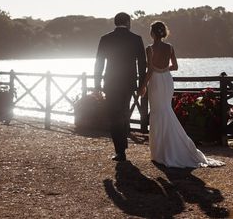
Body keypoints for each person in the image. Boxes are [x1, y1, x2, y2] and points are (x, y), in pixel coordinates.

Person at [143, 20, 224, 168]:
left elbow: (149, 70)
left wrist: (142, 86)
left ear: (153, 33)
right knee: (166, 110)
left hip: (155, 80)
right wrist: (164, 69)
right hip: (167, 80)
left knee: (157, 112)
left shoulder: (150, 48)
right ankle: (174, 146)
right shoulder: (170, 47)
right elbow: (175, 66)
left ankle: (160, 151)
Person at [94, 12, 147, 162]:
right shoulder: (136, 39)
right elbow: (142, 64)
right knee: (124, 112)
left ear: (115, 22)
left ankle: (120, 150)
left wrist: (97, 85)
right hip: (129, 82)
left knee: (114, 115)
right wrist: (142, 84)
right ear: (128, 22)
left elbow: (99, 63)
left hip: (111, 82)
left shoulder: (106, 39)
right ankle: (122, 145)